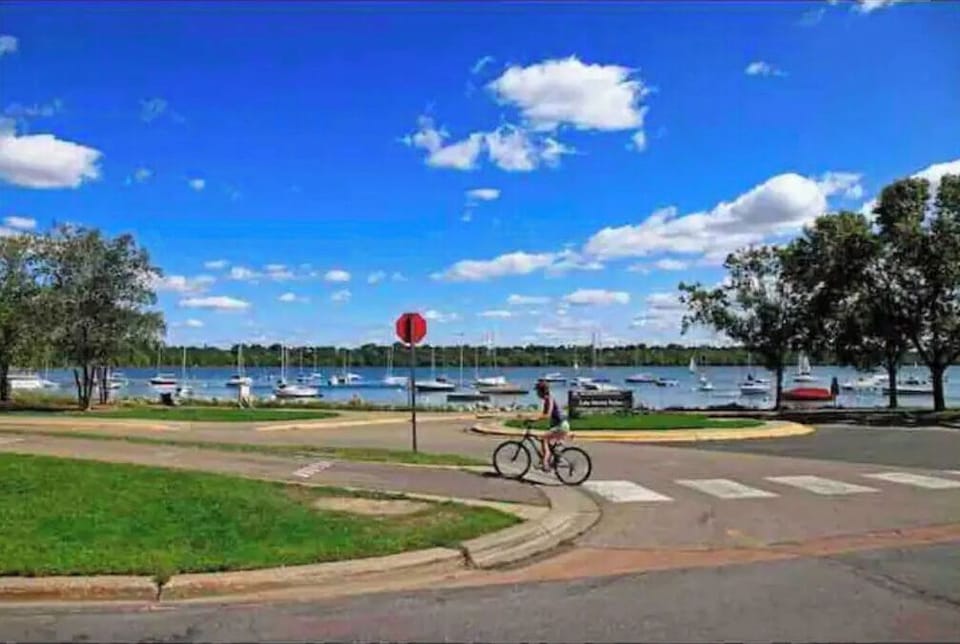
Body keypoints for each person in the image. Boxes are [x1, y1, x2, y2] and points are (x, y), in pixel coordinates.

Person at [532, 379, 570, 471]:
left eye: (537, 391)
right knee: (549, 443)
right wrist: (532, 419)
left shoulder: (549, 399)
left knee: (544, 439)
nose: (536, 393)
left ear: (541, 391)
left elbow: (547, 415)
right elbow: (543, 415)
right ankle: (556, 459)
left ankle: (545, 463)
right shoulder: (546, 400)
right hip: (558, 425)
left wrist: (535, 419)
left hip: (561, 426)